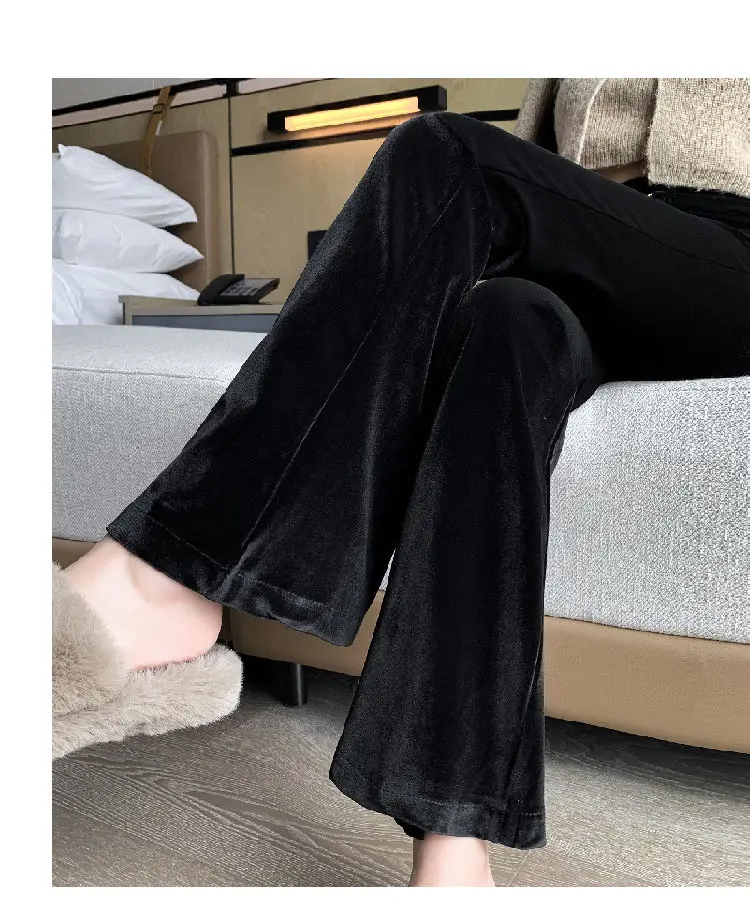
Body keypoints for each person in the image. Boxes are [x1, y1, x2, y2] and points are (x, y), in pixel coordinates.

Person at [53, 78, 750, 886]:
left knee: (446, 151)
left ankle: (164, 572)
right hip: (587, 246)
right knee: (502, 324)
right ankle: (454, 850)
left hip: (729, 257)